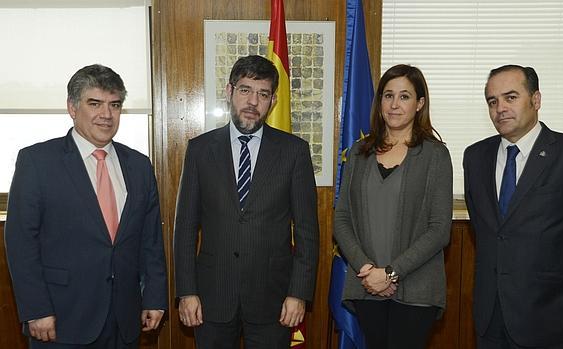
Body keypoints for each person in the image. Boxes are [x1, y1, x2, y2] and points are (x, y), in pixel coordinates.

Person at [4, 64, 168, 348]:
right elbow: (21, 243)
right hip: (60, 319)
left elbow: (150, 241)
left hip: (124, 319)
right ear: (72, 107)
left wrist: (154, 296)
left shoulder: (139, 166)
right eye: (95, 103)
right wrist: (36, 309)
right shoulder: (37, 161)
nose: (106, 115)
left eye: (114, 105)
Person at [463, 64, 563, 348]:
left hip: (552, 317)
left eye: (511, 97)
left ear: (536, 100)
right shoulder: (475, 157)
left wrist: (555, 278)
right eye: (492, 101)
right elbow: (487, 233)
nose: (500, 109)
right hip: (490, 318)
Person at [173, 55, 319, 349]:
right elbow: (186, 227)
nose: (253, 101)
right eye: (245, 90)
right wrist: (186, 291)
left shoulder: (294, 152)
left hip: (273, 299)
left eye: (263, 94)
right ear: (229, 92)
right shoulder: (200, 150)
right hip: (212, 297)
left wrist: (298, 293)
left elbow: (307, 231)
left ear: (273, 100)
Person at [334, 64, 453, 349]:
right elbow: (342, 218)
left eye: (404, 96)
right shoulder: (359, 153)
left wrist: (390, 273)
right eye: (388, 96)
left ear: (420, 103)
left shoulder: (435, 155)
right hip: (367, 287)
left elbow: (439, 231)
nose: (395, 105)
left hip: (416, 288)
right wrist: (368, 270)